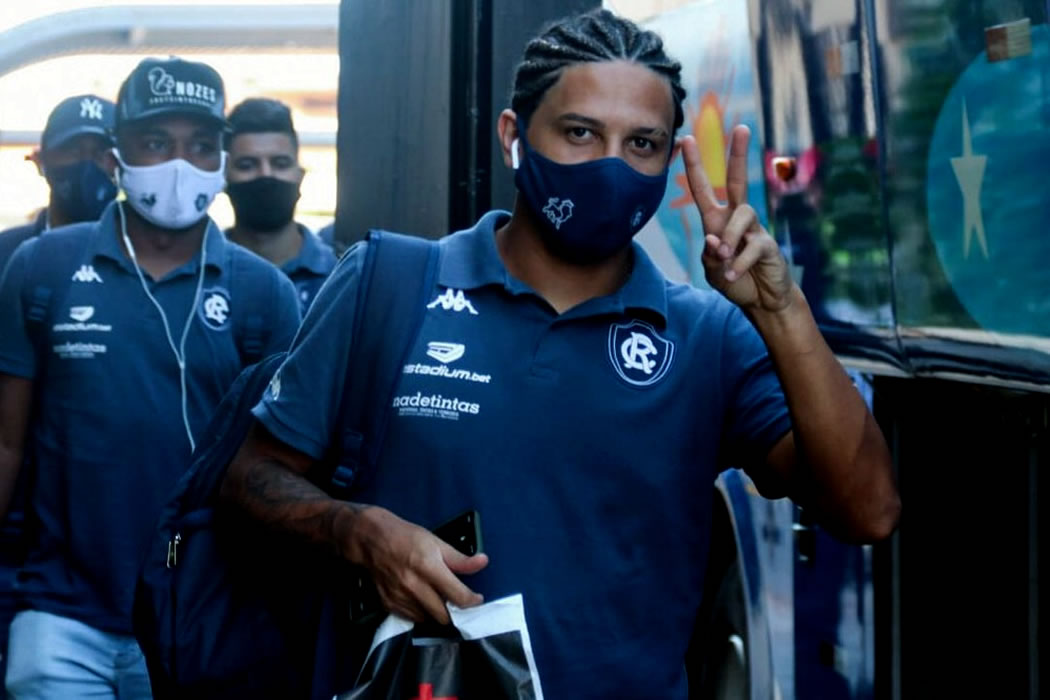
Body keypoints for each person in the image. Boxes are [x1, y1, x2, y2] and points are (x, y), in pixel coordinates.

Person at [221, 9, 900, 697]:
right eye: (580, 133)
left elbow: (868, 510)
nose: (610, 166)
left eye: (642, 144)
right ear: (513, 137)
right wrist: (358, 532)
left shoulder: (707, 338)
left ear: (669, 161)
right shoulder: (388, 284)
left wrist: (781, 311)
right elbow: (251, 478)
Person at [0, 57, 301, 699]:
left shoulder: (263, 293)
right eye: (157, 142)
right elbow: (6, 444)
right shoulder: (42, 268)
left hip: (200, 619)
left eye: (202, 145)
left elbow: (286, 468)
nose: (180, 164)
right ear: (116, 158)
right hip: (58, 613)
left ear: (221, 159)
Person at [225, 97, 337, 313]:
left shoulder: (339, 277)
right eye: (247, 165)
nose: (265, 174)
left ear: (300, 176)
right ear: (224, 179)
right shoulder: (200, 276)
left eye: (280, 163)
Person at [0, 95, 117, 268]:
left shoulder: (148, 257)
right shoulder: (6, 253)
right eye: (72, 151)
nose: (87, 164)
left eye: (101, 153)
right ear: (40, 160)